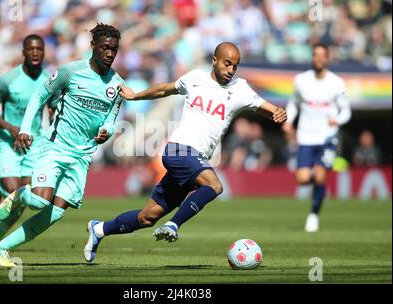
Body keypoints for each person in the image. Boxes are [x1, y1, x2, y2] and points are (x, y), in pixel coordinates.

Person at [83, 42, 287, 263]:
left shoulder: (240, 88)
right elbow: (164, 89)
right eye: (227, 64)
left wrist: (278, 113)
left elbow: (268, 108)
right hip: (178, 149)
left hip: (193, 162)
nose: (230, 70)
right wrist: (135, 97)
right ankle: (173, 225)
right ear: (215, 61)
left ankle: (100, 229)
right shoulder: (195, 79)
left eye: (235, 66)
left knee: (147, 217)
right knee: (214, 186)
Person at [0, 23, 124, 267]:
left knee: (57, 211)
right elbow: (40, 95)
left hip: (82, 156)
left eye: (114, 49)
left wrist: (107, 131)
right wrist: (26, 128)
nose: (110, 54)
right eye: (105, 48)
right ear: (93, 46)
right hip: (55, 147)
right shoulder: (70, 71)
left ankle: (0, 248)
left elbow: (111, 120)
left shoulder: (117, 84)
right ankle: (18, 195)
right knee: (40, 200)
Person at [0, 34, 57, 257]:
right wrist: (11, 128)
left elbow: (52, 108)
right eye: (30, 49)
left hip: (34, 144)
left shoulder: (48, 80)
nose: (35, 53)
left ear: (44, 52)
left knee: (26, 197)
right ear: (23, 52)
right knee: (13, 192)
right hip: (9, 143)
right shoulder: (8, 80)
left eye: (39, 49)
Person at [282, 42, 352, 233]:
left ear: (327, 58)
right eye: (316, 55)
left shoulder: (336, 82)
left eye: (322, 55)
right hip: (306, 136)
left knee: (320, 175)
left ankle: (313, 215)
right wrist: (289, 121)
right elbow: (294, 103)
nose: (319, 58)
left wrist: (336, 120)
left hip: (327, 137)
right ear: (312, 57)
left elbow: (346, 111)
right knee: (303, 179)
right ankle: (319, 187)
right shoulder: (301, 80)